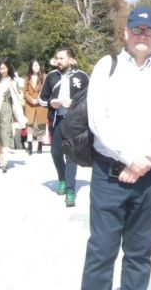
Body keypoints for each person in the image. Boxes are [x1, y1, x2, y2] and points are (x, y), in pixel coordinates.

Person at [81, 7, 151, 290]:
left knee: (139, 254)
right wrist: (130, 158)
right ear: (126, 33)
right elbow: (97, 120)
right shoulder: (107, 65)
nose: (143, 35)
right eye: (137, 30)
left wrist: (146, 159)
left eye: (148, 31)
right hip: (109, 173)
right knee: (101, 252)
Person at [38, 47, 90, 207]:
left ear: (71, 60)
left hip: (75, 123)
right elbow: (41, 99)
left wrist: (74, 103)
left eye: (61, 58)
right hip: (57, 120)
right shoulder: (51, 77)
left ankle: (70, 189)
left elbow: (90, 99)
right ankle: (62, 178)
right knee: (55, 153)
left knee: (71, 155)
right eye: (57, 58)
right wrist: (51, 103)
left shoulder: (82, 76)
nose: (58, 61)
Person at [0, 58, 27, 172]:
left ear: (8, 68)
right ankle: (0, 158)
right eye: (0, 68)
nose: (2, 70)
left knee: (5, 133)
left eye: (4, 68)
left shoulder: (13, 81)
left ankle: (4, 161)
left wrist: (20, 114)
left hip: (6, 109)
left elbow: (17, 97)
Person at [23, 59, 48, 155]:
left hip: (41, 104)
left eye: (37, 65)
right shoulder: (27, 78)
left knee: (40, 125)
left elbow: (46, 90)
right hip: (30, 104)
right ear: (31, 67)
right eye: (34, 66)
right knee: (30, 124)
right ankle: (29, 145)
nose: (36, 67)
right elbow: (25, 92)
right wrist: (31, 99)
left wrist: (38, 98)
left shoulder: (44, 77)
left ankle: (40, 145)